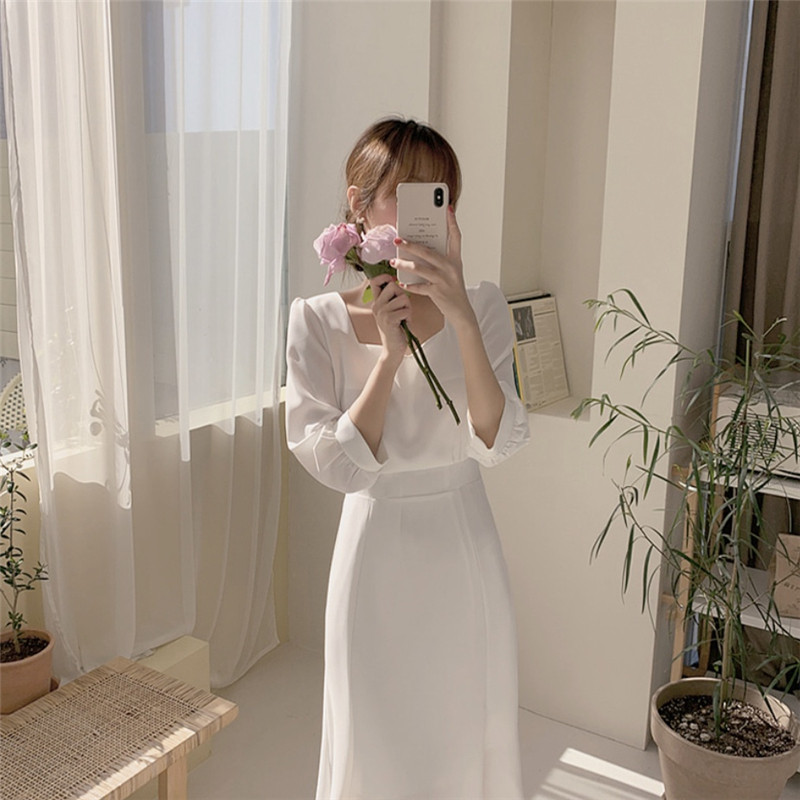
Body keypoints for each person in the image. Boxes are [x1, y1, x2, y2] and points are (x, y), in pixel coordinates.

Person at [285, 117, 530, 800]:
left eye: (440, 195)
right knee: (373, 738)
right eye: (407, 192)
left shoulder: (483, 305)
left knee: (469, 728)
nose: (427, 210)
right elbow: (336, 466)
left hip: (464, 548)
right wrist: (389, 359)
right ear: (359, 206)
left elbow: (497, 439)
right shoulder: (317, 320)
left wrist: (459, 316)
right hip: (375, 553)